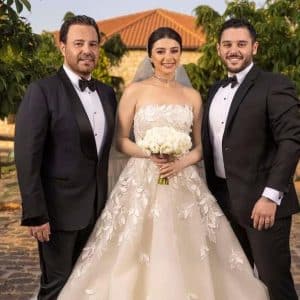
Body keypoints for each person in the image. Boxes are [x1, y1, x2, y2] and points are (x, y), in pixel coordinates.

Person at [58, 27, 269, 300]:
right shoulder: (134, 92)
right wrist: (149, 152)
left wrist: (182, 162)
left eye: (174, 51)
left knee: (189, 249)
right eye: (160, 51)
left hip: (183, 180)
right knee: (133, 249)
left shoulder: (192, 96)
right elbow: (121, 141)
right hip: (141, 180)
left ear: (180, 54)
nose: (168, 57)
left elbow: (201, 146)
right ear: (150, 56)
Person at [14, 15, 117, 299]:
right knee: (56, 288)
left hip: (97, 210)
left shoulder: (108, 94)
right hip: (57, 214)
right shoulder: (42, 91)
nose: (87, 50)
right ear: (62, 46)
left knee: (89, 286)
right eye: (79, 43)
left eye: (93, 44)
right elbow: (27, 157)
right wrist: (35, 214)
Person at [202, 18, 300, 300]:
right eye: (228, 44)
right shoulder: (214, 90)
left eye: (241, 44)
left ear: (254, 48)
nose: (234, 50)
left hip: (263, 205)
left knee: (274, 281)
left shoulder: (275, 84)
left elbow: (291, 141)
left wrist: (270, 197)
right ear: (219, 49)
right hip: (222, 201)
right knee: (237, 282)